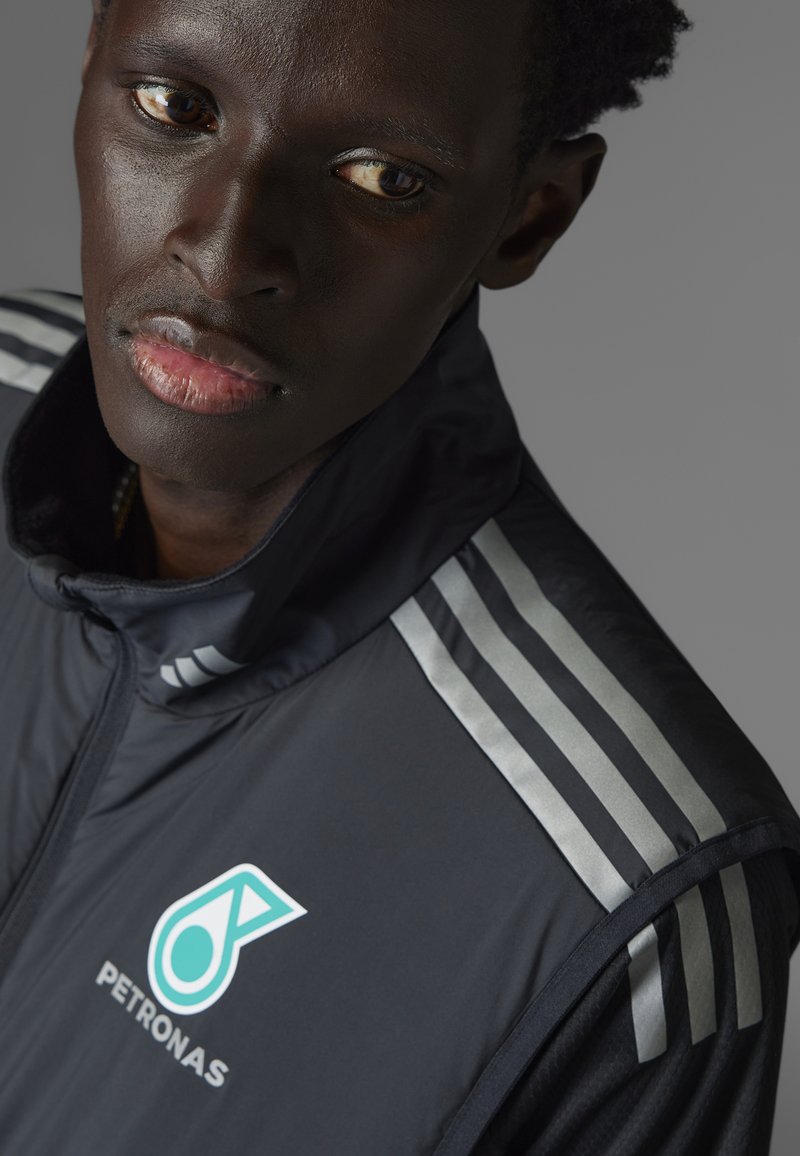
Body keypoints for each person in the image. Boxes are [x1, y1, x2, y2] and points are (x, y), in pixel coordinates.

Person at [0, 0, 797, 1152]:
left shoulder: (628, 888)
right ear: (90, 61)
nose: (224, 254)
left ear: (527, 218)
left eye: (382, 178)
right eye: (175, 106)